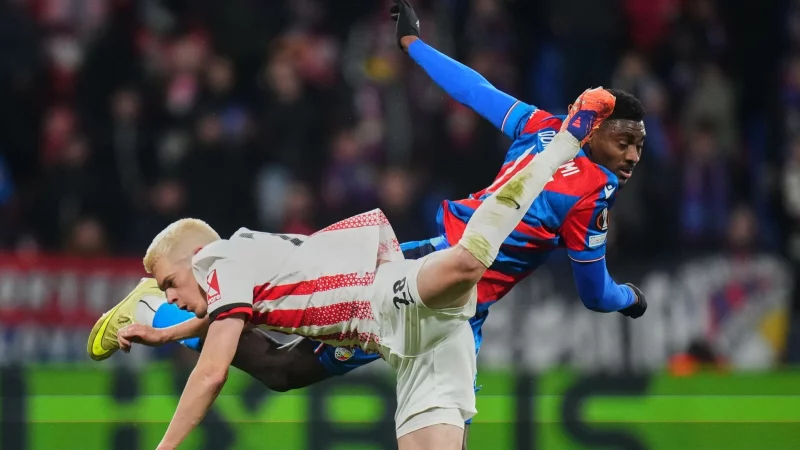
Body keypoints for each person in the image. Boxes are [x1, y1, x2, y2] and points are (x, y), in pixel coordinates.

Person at [89, 88, 616, 450]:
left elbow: (211, 373)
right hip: (392, 324)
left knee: (466, 264)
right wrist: (169, 330)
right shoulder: (228, 268)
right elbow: (217, 334)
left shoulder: (217, 259)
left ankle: (566, 140)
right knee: (285, 369)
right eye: (165, 291)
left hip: (389, 303)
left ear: (196, 259)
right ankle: (564, 143)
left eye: (171, 285)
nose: (180, 291)